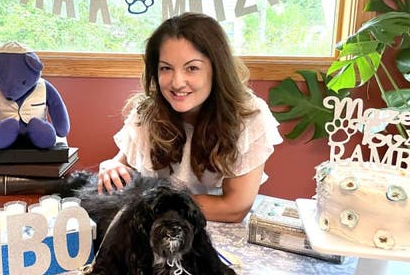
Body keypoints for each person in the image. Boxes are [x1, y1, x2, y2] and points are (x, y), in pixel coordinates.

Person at [97, 12, 283, 223]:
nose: (177, 82)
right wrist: (110, 166)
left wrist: (155, 203)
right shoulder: (147, 113)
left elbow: (234, 207)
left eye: (192, 68)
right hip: (157, 226)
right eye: (166, 68)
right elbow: (122, 165)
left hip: (212, 230)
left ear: (217, 69)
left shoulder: (249, 117)